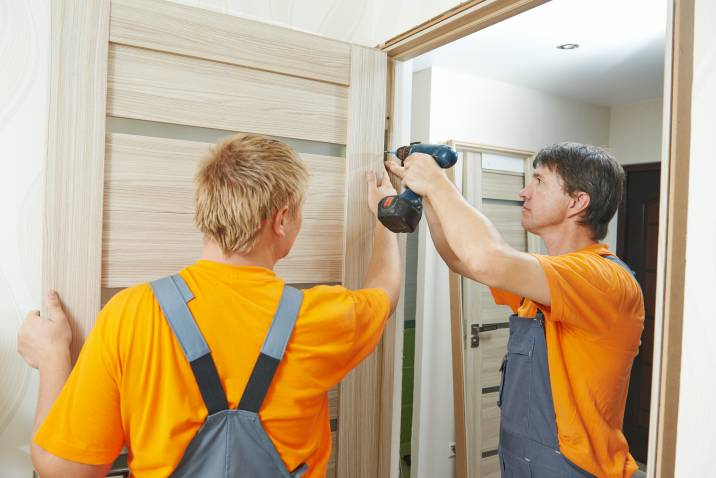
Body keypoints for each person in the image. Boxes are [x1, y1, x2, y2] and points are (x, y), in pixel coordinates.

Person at [17, 134, 401, 478]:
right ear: (281, 219)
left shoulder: (130, 313)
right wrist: (386, 212)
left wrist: (53, 356)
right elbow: (385, 290)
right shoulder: (322, 317)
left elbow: (64, 470)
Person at [386, 142, 644, 477]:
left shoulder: (603, 279)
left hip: (575, 469)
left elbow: (487, 260)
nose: (525, 192)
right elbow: (461, 258)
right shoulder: (545, 278)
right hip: (522, 461)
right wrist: (428, 194)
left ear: (578, 201)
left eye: (538, 181)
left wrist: (438, 184)